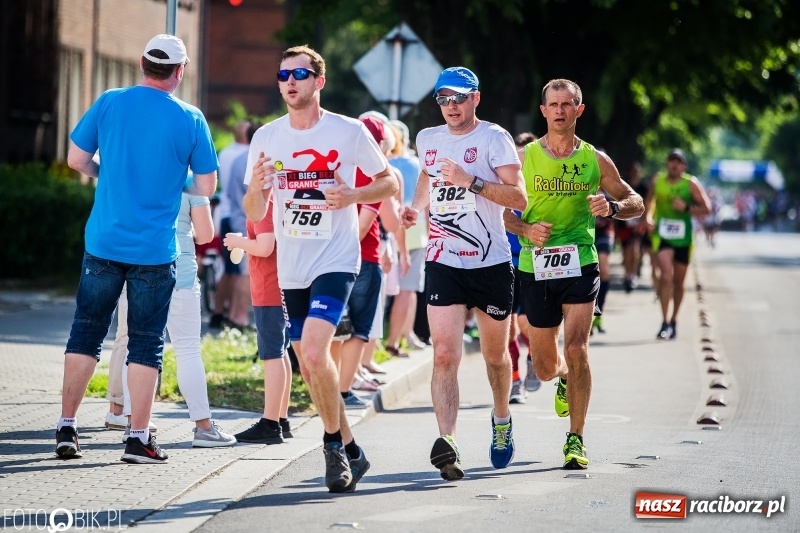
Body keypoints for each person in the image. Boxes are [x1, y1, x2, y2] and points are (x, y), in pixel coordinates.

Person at [241, 45, 398, 493]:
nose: (290, 81)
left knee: (312, 352)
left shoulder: (347, 132)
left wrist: (351, 196)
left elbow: (387, 181)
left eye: (300, 74)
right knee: (312, 367)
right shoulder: (267, 137)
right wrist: (258, 188)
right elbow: (253, 207)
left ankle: (331, 447)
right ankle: (353, 447)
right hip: (292, 265)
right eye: (283, 74)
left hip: (336, 258)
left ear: (319, 81)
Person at [57, 34, 217, 463]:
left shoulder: (109, 101)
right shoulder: (191, 117)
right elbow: (205, 185)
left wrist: (105, 175)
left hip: (103, 242)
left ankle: (66, 428)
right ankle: (138, 438)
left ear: (142, 63)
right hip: (155, 251)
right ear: (179, 72)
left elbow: (75, 159)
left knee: (86, 331)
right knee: (147, 343)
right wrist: (170, 181)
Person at [504, 79, 643, 469]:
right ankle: (562, 376)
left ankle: (576, 439)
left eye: (568, 104)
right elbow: (503, 214)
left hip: (580, 261)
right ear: (543, 110)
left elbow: (636, 201)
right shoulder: (524, 158)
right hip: (536, 264)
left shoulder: (595, 160)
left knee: (578, 346)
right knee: (546, 365)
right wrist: (526, 229)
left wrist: (612, 208)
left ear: (579, 110)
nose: (561, 110)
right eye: (554, 104)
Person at [401, 66, 527, 480]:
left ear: (476, 98)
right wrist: (415, 207)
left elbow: (519, 198)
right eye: (443, 99)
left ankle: (502, 419)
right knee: (444, 353)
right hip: (444, 259)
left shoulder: (494, 138)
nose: (451, 106)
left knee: (494, 357)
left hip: (490, 263)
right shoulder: (428, 138)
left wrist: (471, 181)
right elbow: (426, 176)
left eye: (458, 98)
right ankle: (448, 442)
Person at [118, 192, 237, 448]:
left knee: (135, 351)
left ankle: (133, 423)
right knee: (188, 351)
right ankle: (204, 427)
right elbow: (205, 235)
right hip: (179, 273)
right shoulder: (191, 179)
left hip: (137, 272)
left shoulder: (131, 166)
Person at [226, 190, 293, 444]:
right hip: (282, 284)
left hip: (268, 286)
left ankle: (270, 423)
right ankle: (281, 418)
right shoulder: (279, 197)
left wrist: (238, 242)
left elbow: (265, 247)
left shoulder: (264, 202)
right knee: (281, 351)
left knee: (271, 354)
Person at [645, 148, 711, 340]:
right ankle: (664, 321)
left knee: (679, 283)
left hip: (683, 238)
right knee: (666, 276)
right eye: (671, 160)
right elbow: (649, 202)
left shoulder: (691, 184)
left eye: (678, 161)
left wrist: (687, 207)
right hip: (663, 235)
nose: (674, 164)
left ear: (684, 166)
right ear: (667, 163)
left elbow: (706, 209)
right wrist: (648, 218)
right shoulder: (658, 181)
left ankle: (674, 320)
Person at [386, 119, 427, 356]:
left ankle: (401, 336)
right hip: (415, 224)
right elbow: (427, 199)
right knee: (408, 288)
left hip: (387, 223)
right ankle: (398, 339)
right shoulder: (416, 164)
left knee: (394, 287)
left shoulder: (384, 163)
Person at [210, 120, 252, 329]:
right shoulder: (247, 157)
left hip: (224, 213)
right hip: (240, 215)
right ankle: (238, 316)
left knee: (229, 268)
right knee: (243, 270)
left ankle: (218, 311)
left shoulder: (226, 153)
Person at [509, 132, 540, 401]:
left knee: (526, 323)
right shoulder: (501, 182)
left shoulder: (539, 185)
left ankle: (534, 358)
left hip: (533, 261)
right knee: (507, 326)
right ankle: (514, 381)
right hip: (504, 261)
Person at [615, 162, 649, 293]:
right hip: (624, 223)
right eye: (633, 170)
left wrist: (643, 221)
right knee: (626, 252)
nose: (635, 173)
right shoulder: (624, 186)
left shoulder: (643, 187)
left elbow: (647, 205)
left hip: (638, 225)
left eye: (637, 171)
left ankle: (632, 275)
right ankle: (627, 274)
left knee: (635, 249)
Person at [591, 190, 614, 334]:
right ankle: (587, 314)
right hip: (583, 230)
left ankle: (599, 312)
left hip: (604, 231)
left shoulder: (608, 180)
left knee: (604, 270)